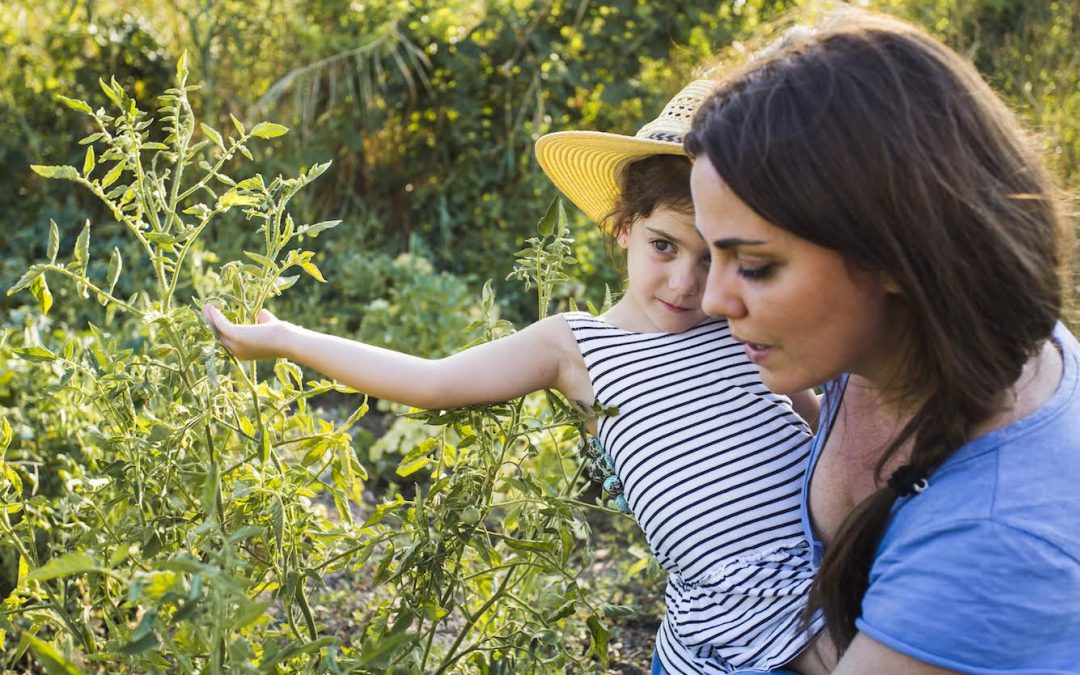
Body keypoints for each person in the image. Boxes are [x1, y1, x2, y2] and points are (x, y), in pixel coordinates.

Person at [204, 80, 827, 674]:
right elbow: (431, 381)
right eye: (664, 246)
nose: (686, 283)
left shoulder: (738, 321)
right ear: (624, 228)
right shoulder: (577, 343)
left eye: (713, 255)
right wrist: (290, 340)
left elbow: (823, 426)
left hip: (828, 578)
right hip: (728, 630)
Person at [686, 8, 1079, 674]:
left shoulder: (989, 540)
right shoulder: (931, 334)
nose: (713, 300)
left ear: (896, 252)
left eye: (754, 266)